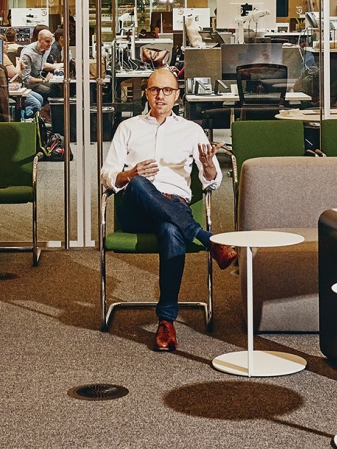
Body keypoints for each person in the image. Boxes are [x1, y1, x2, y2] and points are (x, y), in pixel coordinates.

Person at [99, 67, 238, 352]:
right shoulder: (128, 127)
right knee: (140, 182)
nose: (160, 96)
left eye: (167, 90)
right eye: (154, 90)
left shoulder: (191, 130)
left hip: (174, 206)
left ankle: (166, 321)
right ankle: (206, 238)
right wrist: (129, 174)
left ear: (177, 95)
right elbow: (107, 174)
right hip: (135, 209)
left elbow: (211, 182)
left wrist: (209, 166)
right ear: (146, 94)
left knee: (171, 230)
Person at [17, 28, 59, 121]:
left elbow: (42, 64)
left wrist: (58, 66)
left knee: (58, 87)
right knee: (50, 91)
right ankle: (44, 111)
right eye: (47, 41)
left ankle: (46, 111)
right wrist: (44, 80)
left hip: (38, 77)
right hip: (29, 83)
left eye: (51, 41)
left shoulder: (47, 48)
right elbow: (26, 78)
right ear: (39, 40)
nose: (50, 44)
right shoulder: (28, 53)